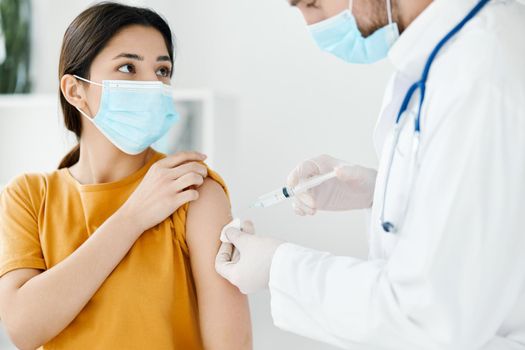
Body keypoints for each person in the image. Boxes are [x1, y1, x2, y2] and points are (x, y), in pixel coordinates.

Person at [216, 0, 525, 349]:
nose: (312, 24)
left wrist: (279, 267)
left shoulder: (482, 73)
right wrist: (381, 194)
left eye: (312, 3)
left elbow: (427, 316)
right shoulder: (437, 58)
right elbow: (485, 208)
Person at [0, 3, 251, 349]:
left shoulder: (192, 189)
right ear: (75, 90)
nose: (152, 84)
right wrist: (133, 217)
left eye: (162, 71)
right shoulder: (28, 196)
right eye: (128, 67)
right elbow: (23, 328)